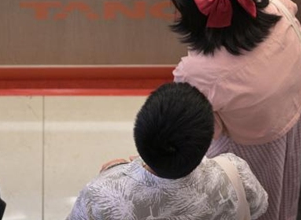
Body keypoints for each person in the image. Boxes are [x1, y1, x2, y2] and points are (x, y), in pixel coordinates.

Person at [169, 0, 301, 220]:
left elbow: (211, 130)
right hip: (291, 117)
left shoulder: (196, 73)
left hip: (250, 146)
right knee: (284, 186)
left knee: (251, 201)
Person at [68, 82, 268, 220]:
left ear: (139, 134)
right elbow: (258, 206)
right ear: (207, 141)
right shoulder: (234, 172)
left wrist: (115, 175)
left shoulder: (102, 193)